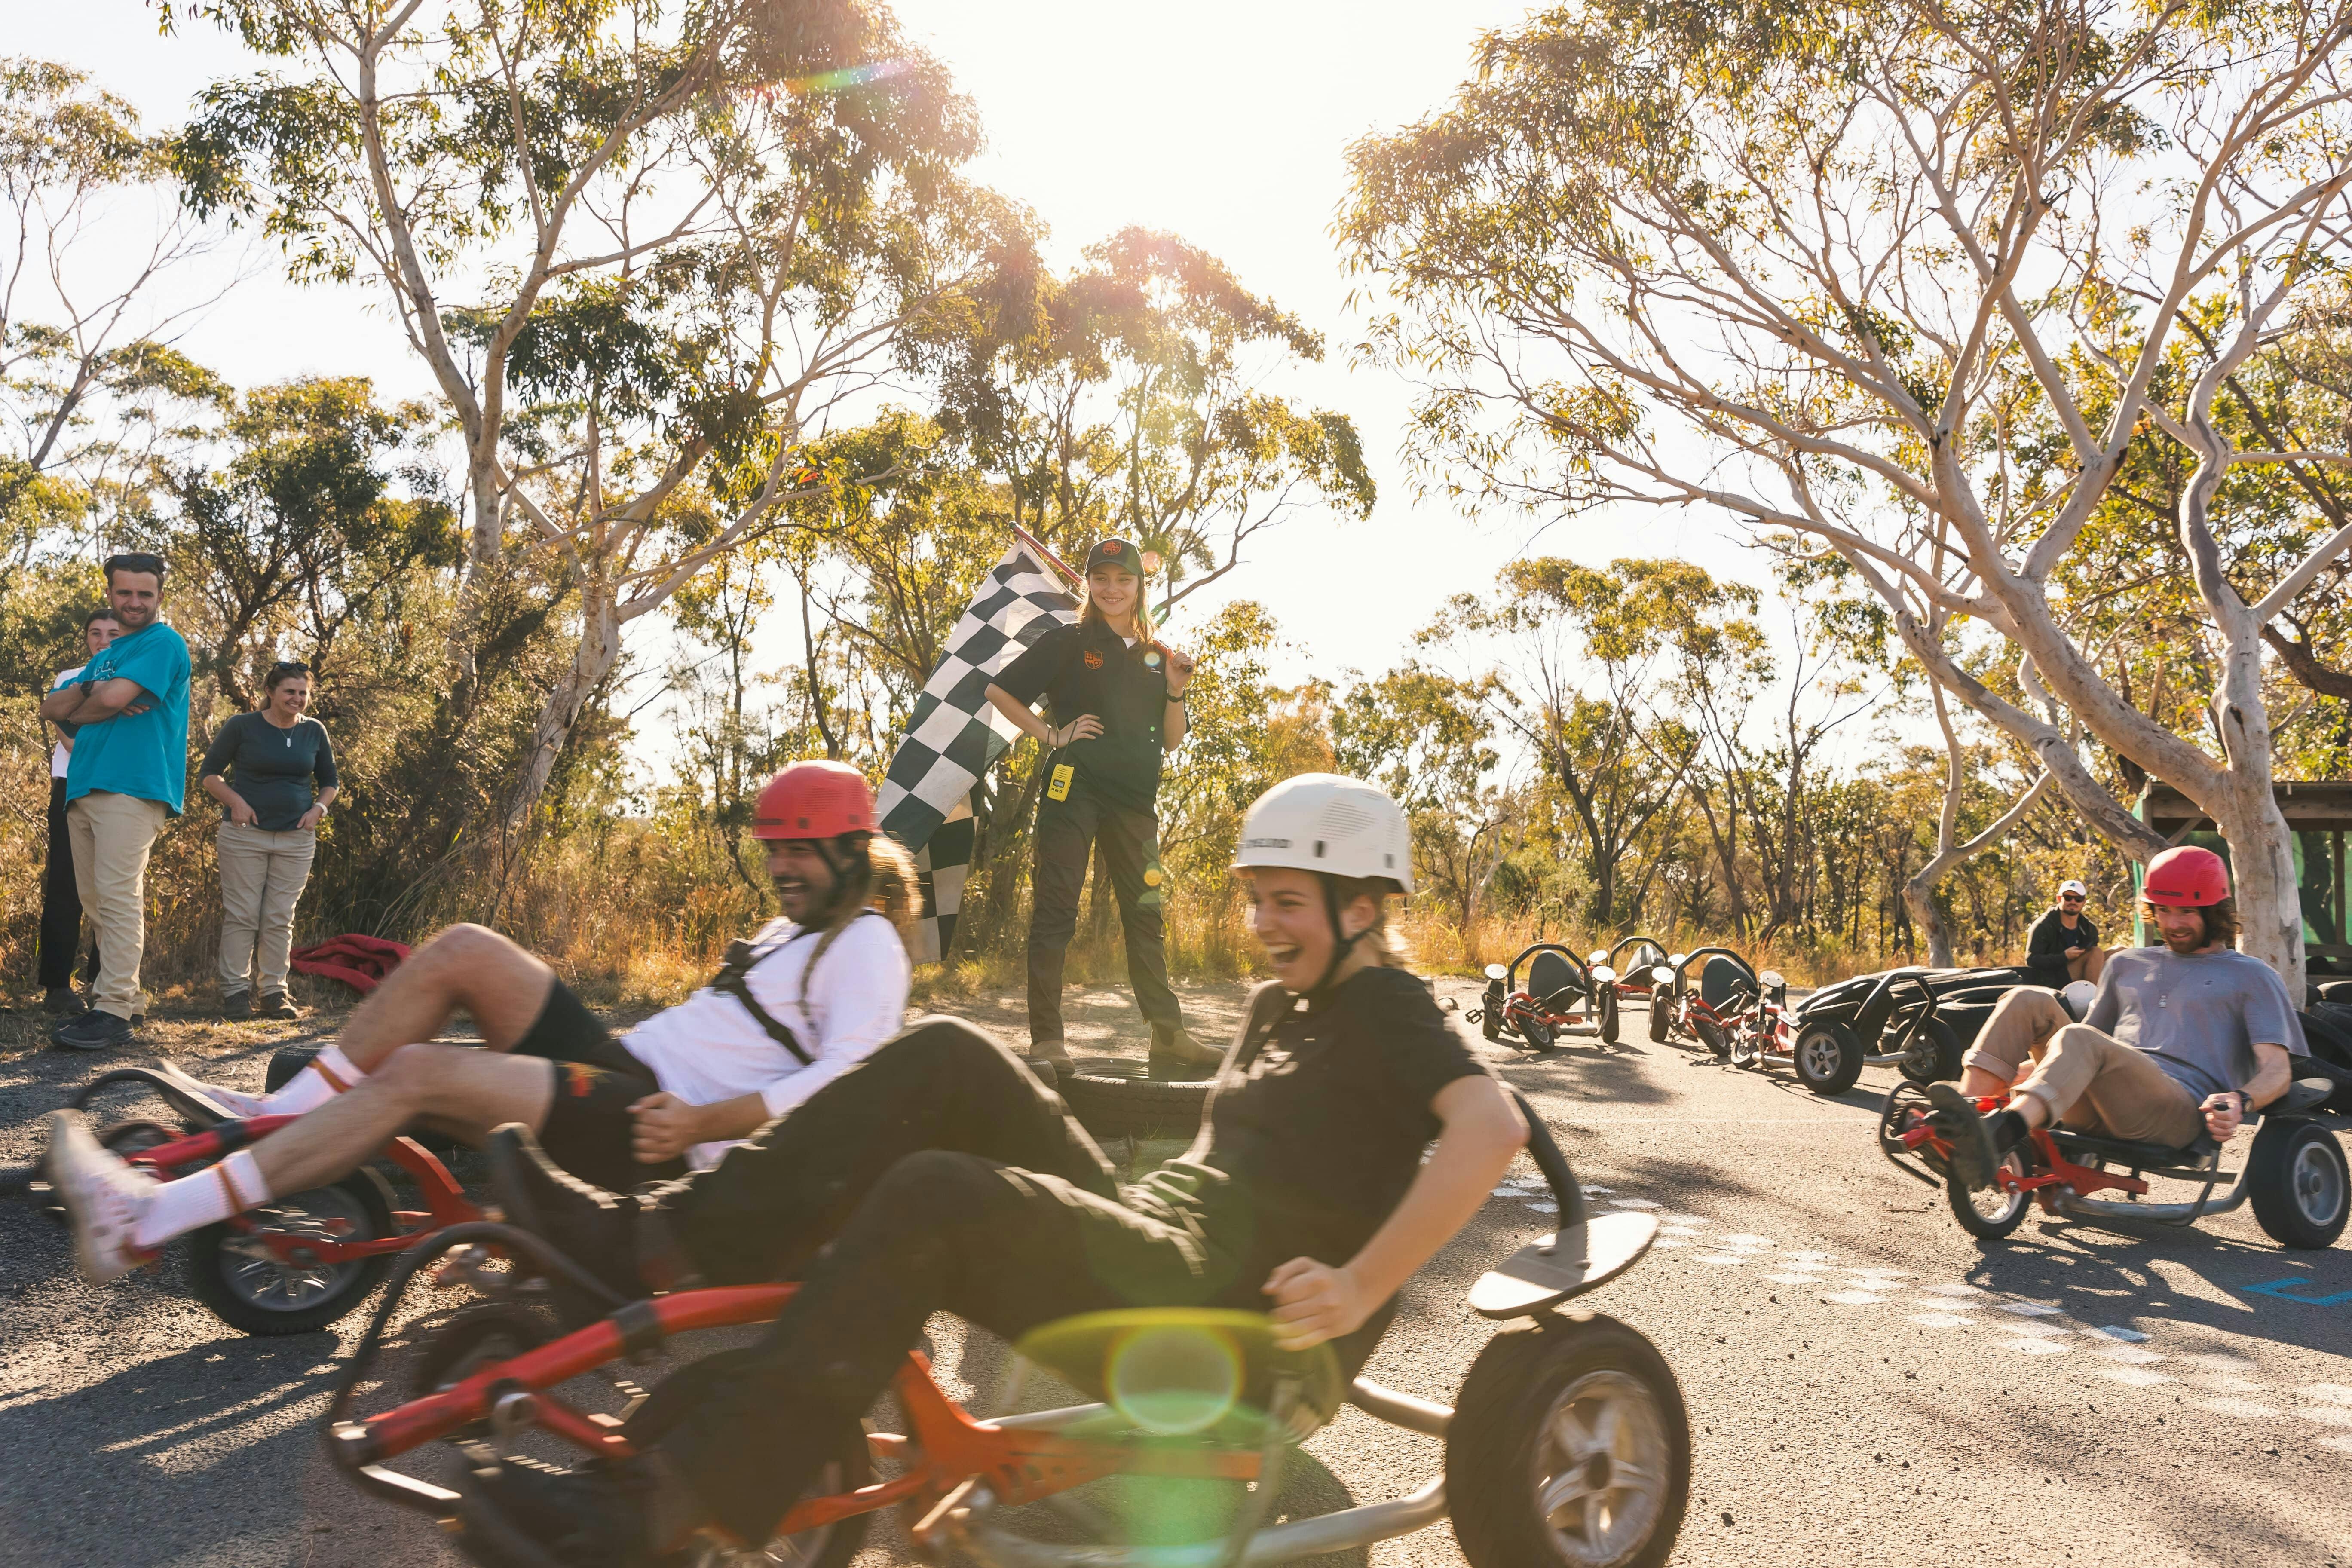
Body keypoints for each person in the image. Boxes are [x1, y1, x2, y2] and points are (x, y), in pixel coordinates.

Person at [456, 773, 1527, 1567]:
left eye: (1285, 902)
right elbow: (1213, 1123)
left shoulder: (1389, 1007)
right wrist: (1042, 1088)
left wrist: (1357, 1288)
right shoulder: (1279, 1007)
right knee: (949, 1053)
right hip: (1164, 1239)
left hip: (1223, 1317)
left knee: (936, 1194)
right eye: (1254, 898)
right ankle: (645, 1247)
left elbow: (1491, 1128)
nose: (1259, 926)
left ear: (1363, 906)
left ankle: (657, 1508)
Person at [45, 761, 916, 1284]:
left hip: (657, 1130)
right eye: (773, 850)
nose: (782, 867)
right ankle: (283, 1117)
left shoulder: (868, 944)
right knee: (464, 947)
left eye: (799, 850)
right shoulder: (795, 926)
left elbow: (853, 1086)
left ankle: (149, 1220)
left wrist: (709, 1121)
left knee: (420, 1072)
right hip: (631, 1069)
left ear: (855, 851)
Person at [1931, 845, 2307, 1187]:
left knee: (2082, 1039)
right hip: (2096, 1099)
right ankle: (1964, 1122)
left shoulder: (2253, 975)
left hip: (2178, 1110)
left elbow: (2278, 1070)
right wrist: (2020, 1074)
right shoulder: (2126, 964)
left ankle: (2001, 1133)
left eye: (2188, 912)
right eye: (2163, 910)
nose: (2173, 924)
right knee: (2027, 998)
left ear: (2215, 912)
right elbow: (2074, 1052)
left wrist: (2240, 1100)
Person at [983, 537, 1215, 1078]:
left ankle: (1169, 1037)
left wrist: (1176, 690)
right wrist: (1050, 734)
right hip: (1075, 786)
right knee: (1056, 910)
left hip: (1135, 799)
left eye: (1124, 580)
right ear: (1088, 583)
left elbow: (1174, 740)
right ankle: (1048, 1041)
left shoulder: (1157, 655)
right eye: (1102, 578)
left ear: (1140, 587)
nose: (1112, 589)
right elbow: (1000, 691)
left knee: (1146, 916)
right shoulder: (1069, 641)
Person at [37, 554, 192, 1051]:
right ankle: (126, 997)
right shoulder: (108, 656)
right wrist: (96, 687)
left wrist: (98, 699)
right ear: (111, 594)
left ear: (159, 596)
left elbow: (97, 706)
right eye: (125, 593)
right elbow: (51, 707)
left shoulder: (163, 643)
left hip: (134, 784)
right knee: (96, 900)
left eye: (145, 594)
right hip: (84, 786)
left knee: (117, 894)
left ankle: (113, 1011)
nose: (135, 602)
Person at [200, 661, 340, 1019]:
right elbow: (209, 775)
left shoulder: (314, 731)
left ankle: (274, 993)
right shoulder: (242, 726)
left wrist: (318, 811)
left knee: (279, 917)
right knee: (243, 915)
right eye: (289, 692)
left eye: (303, 693)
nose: (297, 699)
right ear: (270, 692)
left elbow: (330, 782)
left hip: (296, 840)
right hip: (245, 837)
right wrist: (237, 803)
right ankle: (235, 993)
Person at [36, 608, 119, 1014]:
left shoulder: (134, 680)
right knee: (66, 885)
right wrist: (113, 719)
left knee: (112, 891)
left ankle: (104, 982)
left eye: (112, 633)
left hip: (121, 789)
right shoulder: (68, 679)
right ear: (86, 638)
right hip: (72, 786)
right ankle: (56, 987)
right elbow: (72, 742)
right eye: (95, 633)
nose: (103, 640)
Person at [2023, 877, 2104, 988]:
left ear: (2084, 902)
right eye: (2068, 898)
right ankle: (2093, 1000)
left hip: (2079, 972)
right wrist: (2064, 957)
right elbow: (2032, 960)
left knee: (2118, 952)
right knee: (2096, 953)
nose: (2073, 902)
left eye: (2078, 899)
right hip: (2051, 979)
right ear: (2059, 898)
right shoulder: (2043, 925)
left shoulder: (2088, 928)